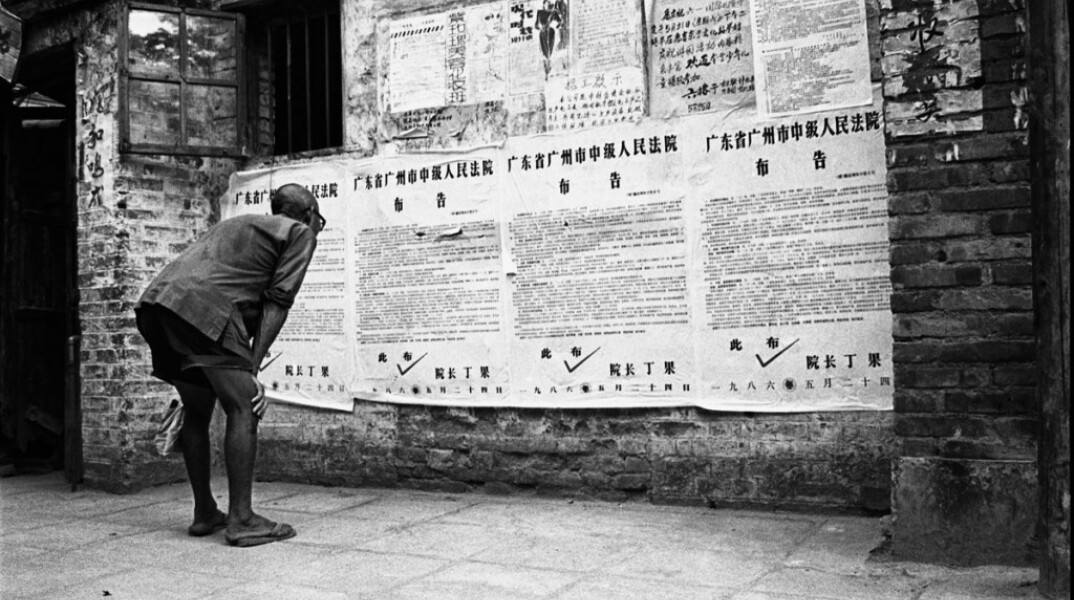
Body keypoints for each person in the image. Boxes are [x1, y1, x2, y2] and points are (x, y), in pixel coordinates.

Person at [135, 184, 324, 547]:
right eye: (319, 220)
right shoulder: (299, 232)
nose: (318, 228)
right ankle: (242, 519)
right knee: (245, 405)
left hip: (157, 307)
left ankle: (205, 512)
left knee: (197, 409)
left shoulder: (243, 225)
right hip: (203, 311)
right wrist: (252, 370)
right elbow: (278, 302)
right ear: (308, 214)